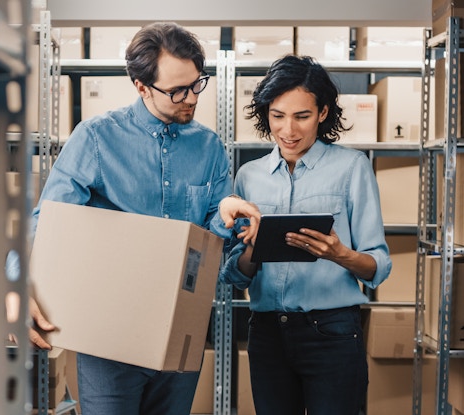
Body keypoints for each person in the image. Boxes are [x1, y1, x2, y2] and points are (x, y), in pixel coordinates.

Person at [25, 22, 254, 415]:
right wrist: (22, 283)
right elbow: (47, 223)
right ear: (141, 85)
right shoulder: (96, 138)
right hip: (109, 338)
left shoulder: (210, 148)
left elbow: (216, 250)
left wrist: (228, 221)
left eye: (196, 84)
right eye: (177, 91)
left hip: (180, 332)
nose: (191, 99)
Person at [212, 55, 392, 415]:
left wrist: (339, 253)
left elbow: (380, 266)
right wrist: (251, 250)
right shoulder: (249, 176)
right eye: (277, 116)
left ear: (323, 113)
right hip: (266, 333)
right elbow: (232, 274)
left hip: (332, 332)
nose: (288, 130)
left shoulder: (352, 168)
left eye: (302, 116)